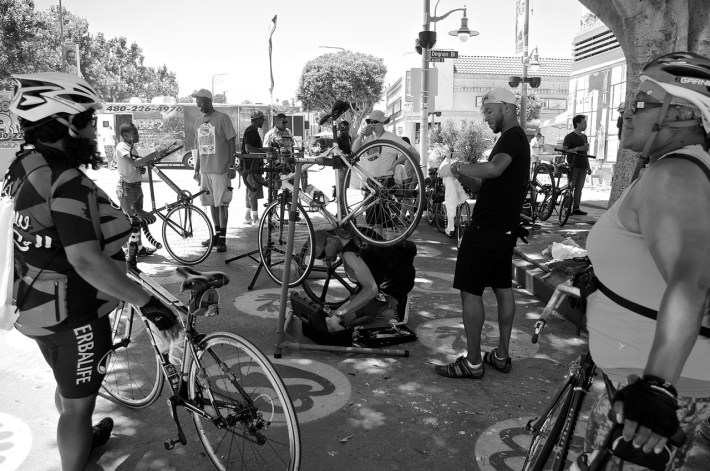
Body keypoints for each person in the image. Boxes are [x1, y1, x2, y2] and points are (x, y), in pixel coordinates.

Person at [4, 72, 179, 471]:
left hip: (31, 307)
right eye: (86, 118)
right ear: (66, 124)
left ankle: (77, 436)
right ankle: (75, 453)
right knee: (77, 412)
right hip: (75, 315)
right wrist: (147, 303)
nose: (91, 128)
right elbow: (86, 260)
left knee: (69, 391)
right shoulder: (65, 182)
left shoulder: (24, 165)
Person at [581, 52, 710, 470]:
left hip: (651, 405)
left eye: (639, 102)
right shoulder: (685, 170)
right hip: (648, 377)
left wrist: (657, 389)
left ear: (683, 114)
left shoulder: (675, 174)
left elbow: (693, 280)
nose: (624, 112)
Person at [434, 88, 530, 380]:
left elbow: (494, 169)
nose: (486, 118)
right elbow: (487, 184)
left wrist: (459, 165)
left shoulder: (512, 138)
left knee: (470, 291)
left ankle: (473, 362)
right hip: (505, 227)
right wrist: (459, 176)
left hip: (487, 228)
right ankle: (501, 355)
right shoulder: (516, 140)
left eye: (489, 111)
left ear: (508, 108)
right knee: (502, 288)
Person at [312, 230, 416, 327]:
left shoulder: (350, 255)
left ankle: (397, 298)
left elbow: (371, 290)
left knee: (346, 321)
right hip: (384, 271)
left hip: (399, 281)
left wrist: (341, 312)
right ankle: (375, 304)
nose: (325, 260)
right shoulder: (347, 234)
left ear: (329, 240)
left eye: (322, 255)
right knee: (347, 311)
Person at [191, 89, 237, 253]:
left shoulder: (222, 118)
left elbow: (232, 143)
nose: (198, 105)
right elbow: (199, 147)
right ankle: (216, 234)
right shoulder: (198, 122)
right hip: (205, 170)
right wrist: (197, 169)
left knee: (222, 204)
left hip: (221, 169)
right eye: (197, 102)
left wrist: (232, 165)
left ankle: (223, 238)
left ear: (209, 101)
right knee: (210, 203)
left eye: (200, 102)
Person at [115, 122, 162, 257]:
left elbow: (136, 165)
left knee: (137, 219)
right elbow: (135, 162)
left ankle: (139, 247)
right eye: (134, 133)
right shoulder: (121, 146)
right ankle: (124, 250)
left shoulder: (132, 147)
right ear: (125, 135)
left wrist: (139, 168)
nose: (137, 135)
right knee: (127, 221)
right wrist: (153, 154)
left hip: (136, 186)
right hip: (126, 187)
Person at [241, 110, 267, 225]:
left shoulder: (252, 130)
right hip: (251, 166)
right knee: (253, 190)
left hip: (249, 165)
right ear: (258, 119)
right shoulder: (252, 130)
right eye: (262, 119)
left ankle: (248, 216)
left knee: (249, 190)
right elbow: (248, 148)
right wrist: (264, 150)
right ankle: (256, 219)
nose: (263, 121)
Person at [562, 114, 591, 216]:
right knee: (571, 187)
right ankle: (566, 207)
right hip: (573, 165)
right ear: (577, 124)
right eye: (584, 123)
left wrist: (588, 166)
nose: (586, 125)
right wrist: (577, 149)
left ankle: (576, 208)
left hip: (583, 165)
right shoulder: (569, 137)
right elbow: (564, 150)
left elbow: (585, 152)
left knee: (579, 188)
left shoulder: (584, 137)